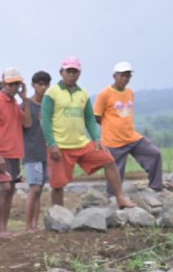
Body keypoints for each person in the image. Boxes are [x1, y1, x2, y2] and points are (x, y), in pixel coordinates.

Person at [40, 56, 135, 209]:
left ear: (79, 73)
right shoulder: (52, 93)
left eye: (74, 71)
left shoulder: (83, 94)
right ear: (61, 72)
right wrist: (52, 144)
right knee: (58, 184)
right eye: (68, 71)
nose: (71, 74)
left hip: (82, 143)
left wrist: (96, 138)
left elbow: (90, 118)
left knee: (109, 160)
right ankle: (58, 215)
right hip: (61, 146)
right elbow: (45, 120)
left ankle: (120, 197)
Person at [94, 61, 163, 193]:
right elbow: (97, 116)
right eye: (122, 75)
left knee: (154, 154)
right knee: (115, 174)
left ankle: (156, 188)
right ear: (115, 76)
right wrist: (111, 126)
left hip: (132, 137)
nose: (125, 79)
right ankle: (113, 200)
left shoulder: (130, 92)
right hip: (113, 141)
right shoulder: (104, 94)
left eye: (128, 76)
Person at [0, 67, 31, 238]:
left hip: (14, 153)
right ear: (4, 84)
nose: (14, 88)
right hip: (1, 153)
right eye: (11, 84)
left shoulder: (15, 104)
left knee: (11, 189)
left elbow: (27, 123)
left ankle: (4, 227)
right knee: (4, 188)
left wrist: (24, 99)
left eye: (17, 84)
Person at [23, 70, 51, 233]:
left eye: (46, 84)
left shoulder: (48, 105)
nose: (43, 87)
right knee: (34, 188)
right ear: (33, 85)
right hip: (31, 150)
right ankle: (28, 226)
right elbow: (25, 125)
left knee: (39, 189)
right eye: (40, 84)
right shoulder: (27, 105)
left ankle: (35, 223)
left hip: (44, 151)